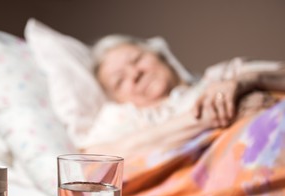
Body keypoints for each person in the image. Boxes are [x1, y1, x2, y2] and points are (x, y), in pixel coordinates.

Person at [83, 34, 285, 158]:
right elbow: (91, 159)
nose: (135, 74)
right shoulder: (124, 117)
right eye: (119, 80)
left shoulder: (218, 77)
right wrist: (201, 119)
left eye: (136, 60)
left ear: (161, 56)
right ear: (117, 98)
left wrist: (247, 82)